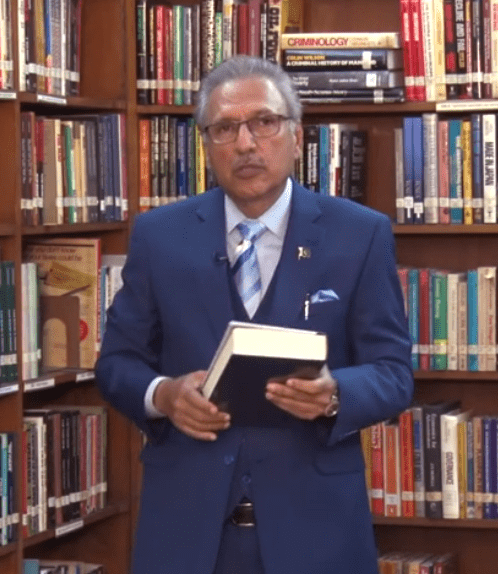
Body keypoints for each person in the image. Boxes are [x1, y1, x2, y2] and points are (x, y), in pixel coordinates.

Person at [96, 55, 413, 574]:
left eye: (264, 122)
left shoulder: (359, 234)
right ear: (206, 146)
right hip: (186, 533)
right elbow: (116, 365)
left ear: (296, 136)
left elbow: (394, 373)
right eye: (225, 128)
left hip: (317, 533)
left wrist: (335, 394)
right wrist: (164, 395)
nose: (245, 143)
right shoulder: (159, 236)